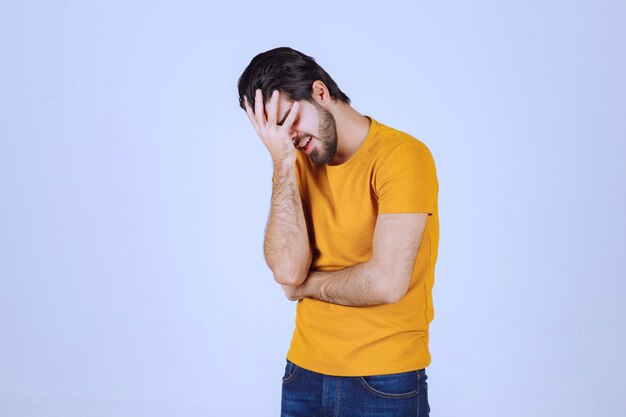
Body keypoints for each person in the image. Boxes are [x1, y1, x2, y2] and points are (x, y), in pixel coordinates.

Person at [237, 47, 438, 417]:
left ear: (319, 92)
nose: (288, 136)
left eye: (287, 120)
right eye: (273, 130)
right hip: (303, 374)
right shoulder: (294, 160)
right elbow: (287, 271)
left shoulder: (402, 157)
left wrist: (308, 288)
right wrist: (281, 161)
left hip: (385, 378)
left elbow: (387, 282)